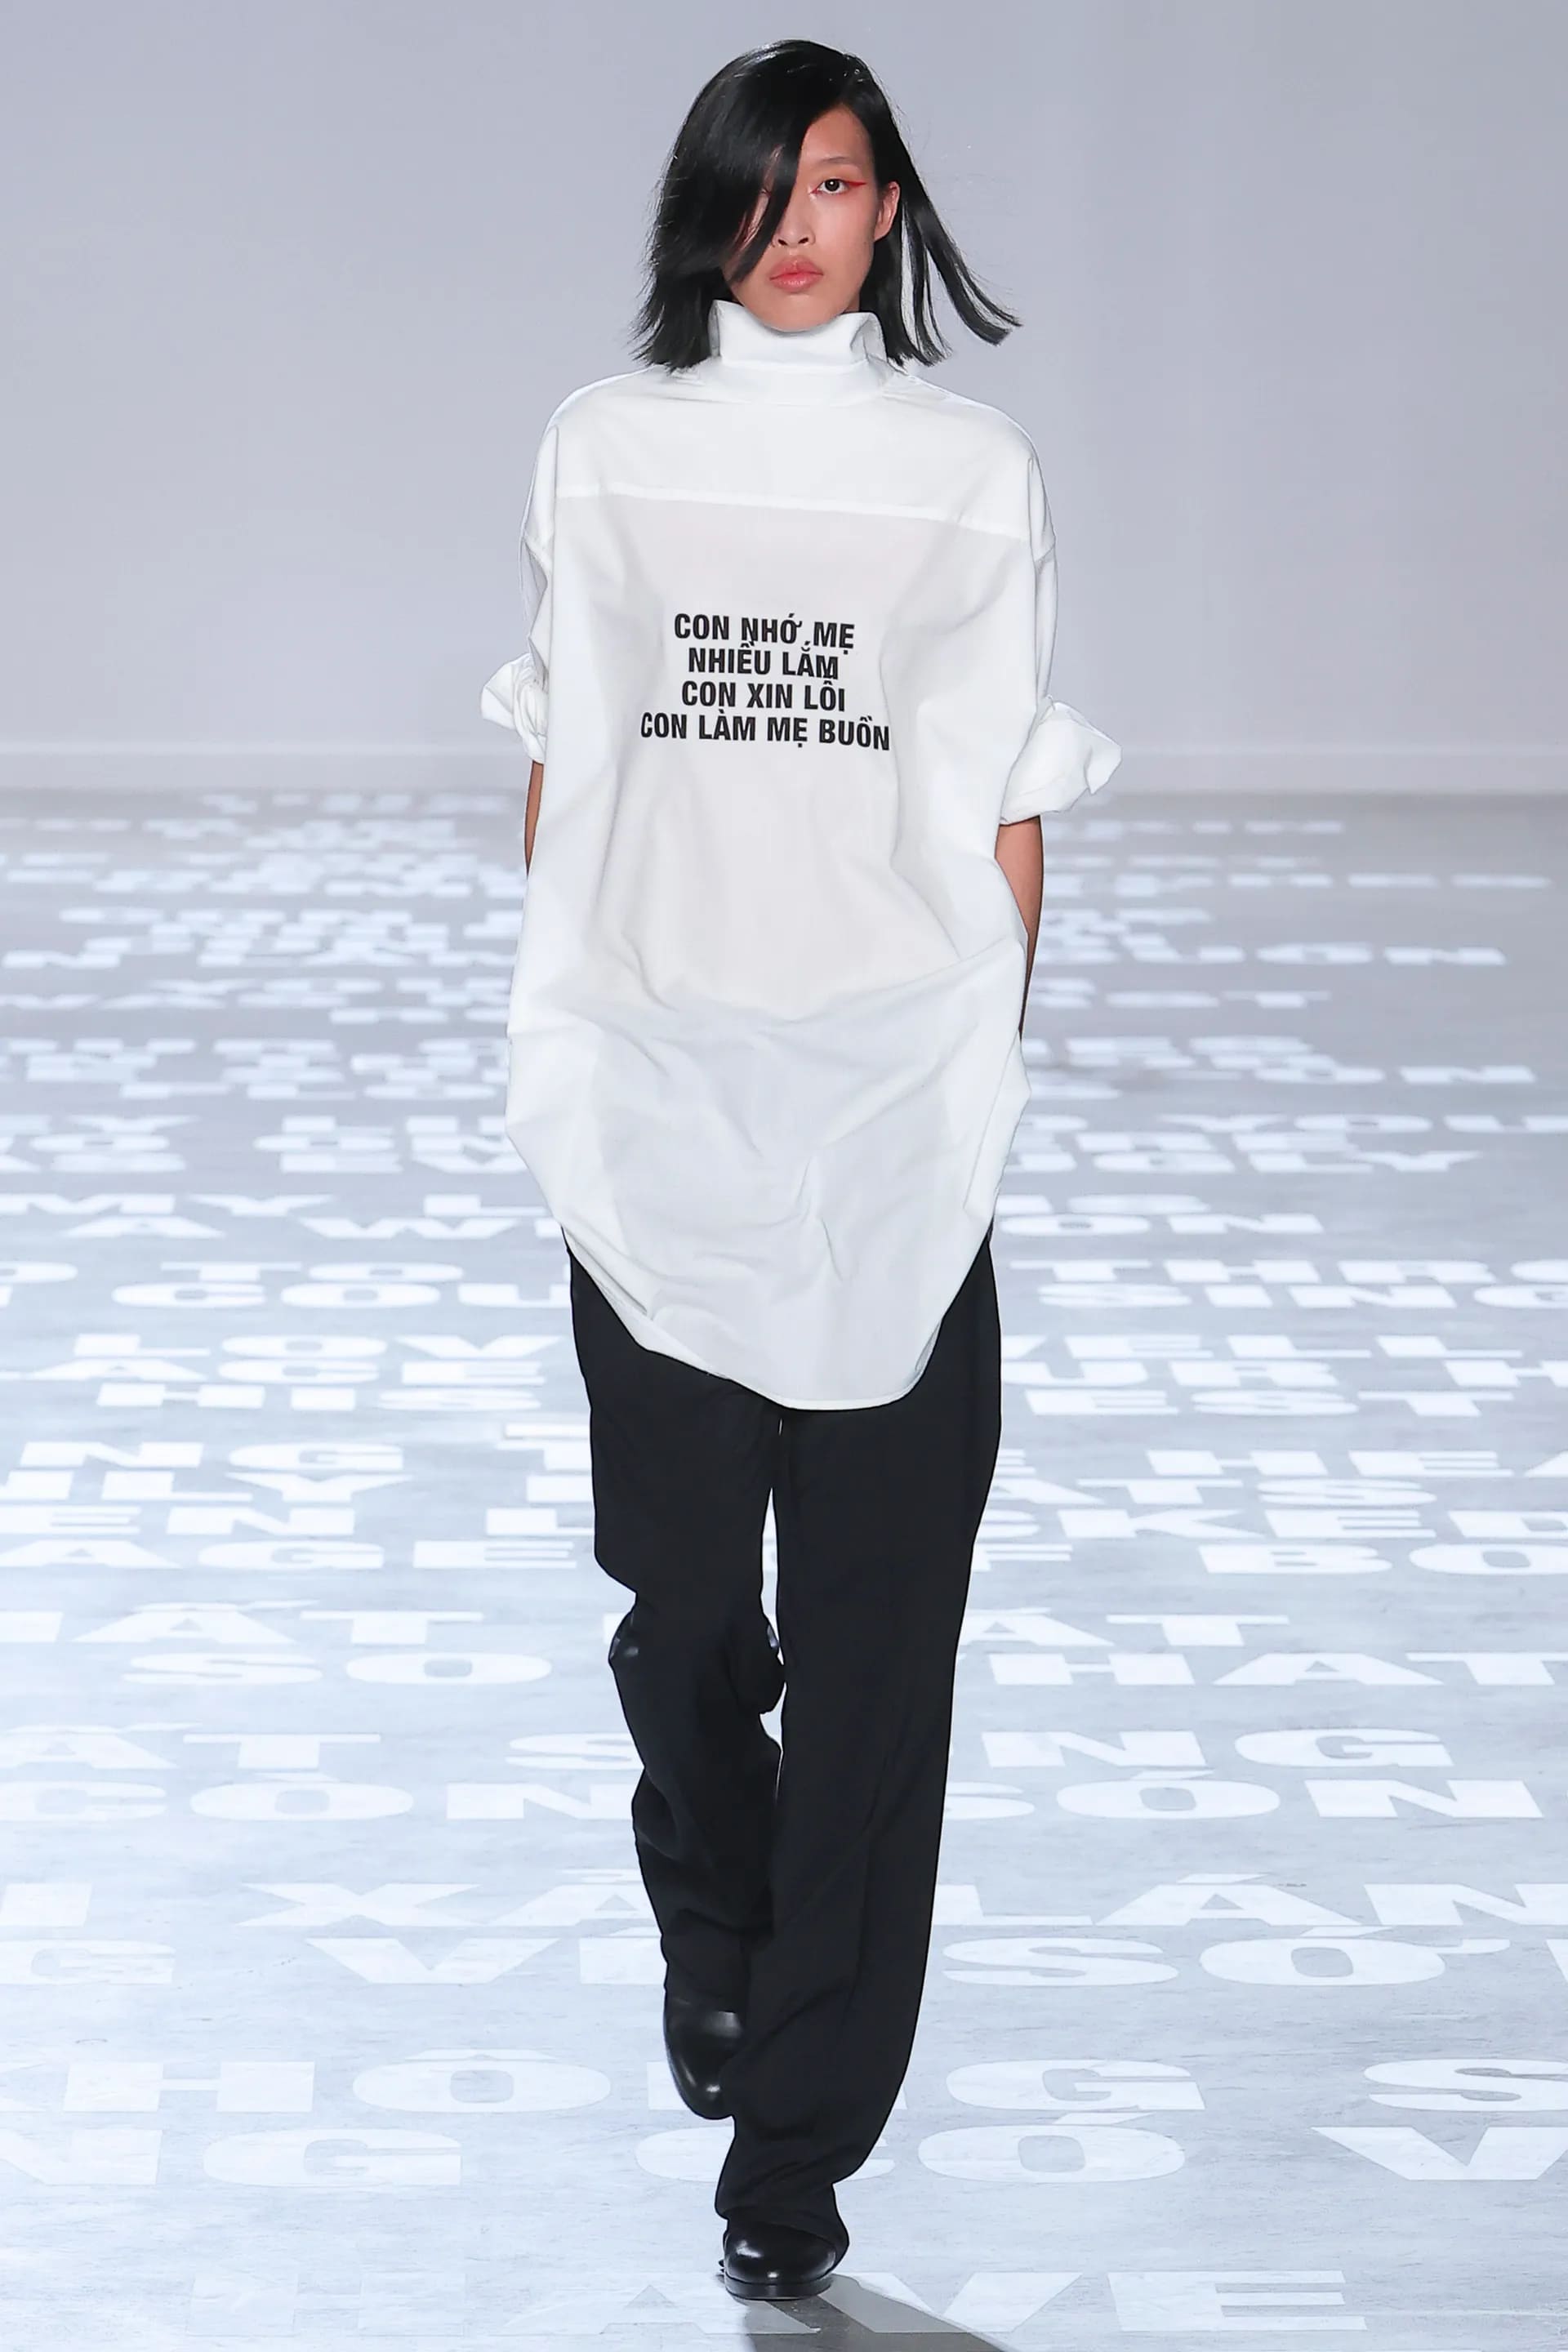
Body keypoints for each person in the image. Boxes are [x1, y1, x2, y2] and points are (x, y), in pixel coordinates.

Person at [480, 38, 1120, 2303]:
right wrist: (582, 1021)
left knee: (879, 1666)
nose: (800, 224)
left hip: (887, 1112)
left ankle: (794, 2158)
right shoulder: (608, 448)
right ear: (711, 208)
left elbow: (1003, 787)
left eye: (839, 184)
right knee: (687, 1617)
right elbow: (572, 762)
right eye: (766, 186)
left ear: (889, 211)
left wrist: (973, 1072)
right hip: (661, 1095)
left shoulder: (968, 472)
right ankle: (712, 1897)